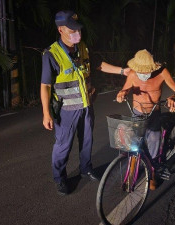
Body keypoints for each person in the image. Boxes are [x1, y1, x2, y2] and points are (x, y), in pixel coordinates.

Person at [41, 10, 129, 196]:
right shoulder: (51, 54)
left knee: (87, 140)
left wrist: (123, 71)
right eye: (72, 30)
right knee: (63, 145)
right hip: (66, 111)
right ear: (60, 30)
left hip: (86, 106)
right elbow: (45, 86)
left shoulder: (82, 48)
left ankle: (86, 168)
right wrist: (46, 113)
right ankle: (60, 178)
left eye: (78, 30)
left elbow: (99, 64)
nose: (77, 34)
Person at [116, 49, 175, 188]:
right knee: (134, 144)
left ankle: (153, 174)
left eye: (146, 71)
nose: (143, 74)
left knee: (154, 142)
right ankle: (131, 174)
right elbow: (125, 89)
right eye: (140, 71)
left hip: (154, 114)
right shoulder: (133, 74)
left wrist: (173, 97)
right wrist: (122, 93)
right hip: (137, 113)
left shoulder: (162, 72)